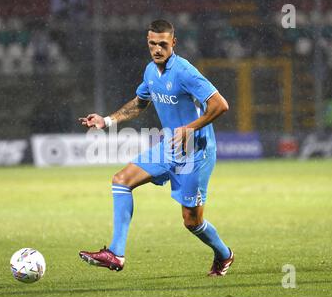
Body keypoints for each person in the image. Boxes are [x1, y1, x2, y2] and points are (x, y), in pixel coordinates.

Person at [78, 20, 233, 277]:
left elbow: (220, 105)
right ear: (148, 43)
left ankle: (224, 254)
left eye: (163, 44)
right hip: (169, 146)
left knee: (191, 221)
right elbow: (140, 103)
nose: (157, 49)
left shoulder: (185, 71)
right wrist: (106, 121)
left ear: (174, 43)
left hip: (196, 152)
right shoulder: (151, 71)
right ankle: (116, 253)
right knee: (121, 181)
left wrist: (190, 128)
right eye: (153, 44)